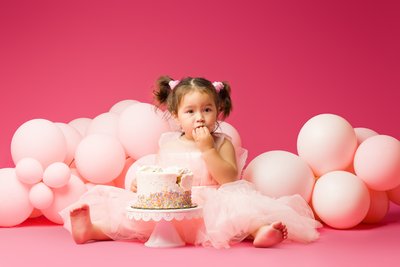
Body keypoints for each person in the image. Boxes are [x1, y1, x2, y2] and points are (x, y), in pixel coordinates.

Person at [60, 76, 320, 248]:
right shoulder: (168, 143)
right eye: (190, 111)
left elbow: (229, 178)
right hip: (174, 208)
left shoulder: (222, 142)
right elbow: (163, 175)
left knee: (242, 214)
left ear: (218, 111)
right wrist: (145, 184)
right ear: (175, 115)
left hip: (214, 204)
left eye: (207, 110)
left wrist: (208, 149)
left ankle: (260, 231)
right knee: (129, 219)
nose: (200, 118)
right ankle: (93, 230)